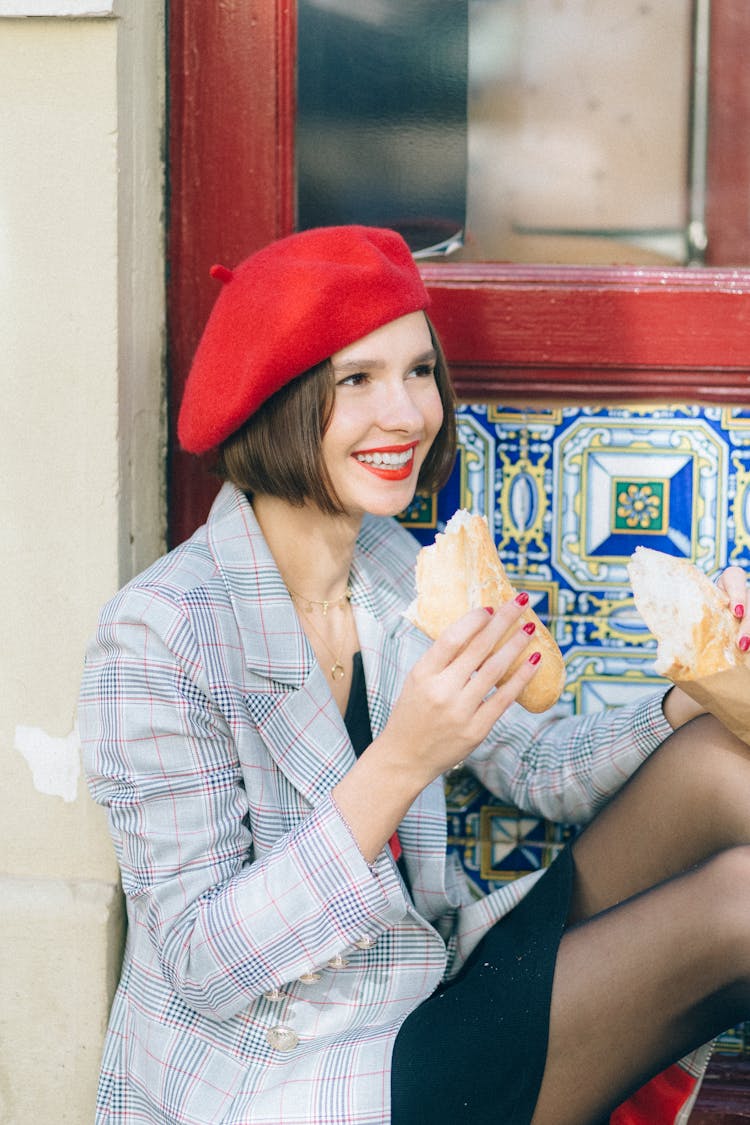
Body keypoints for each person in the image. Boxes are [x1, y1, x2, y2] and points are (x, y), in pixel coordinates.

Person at [79, 225, 750, 1125]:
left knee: (716, 757)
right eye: (356, 379)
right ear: (276, 395)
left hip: (428, 986)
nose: (406, 413)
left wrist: (691, 690)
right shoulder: (159, 632)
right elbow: (204, 960)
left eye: (419, 371)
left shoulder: (401, 567)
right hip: (289, 1080)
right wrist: (399, 762)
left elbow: (542, 769)